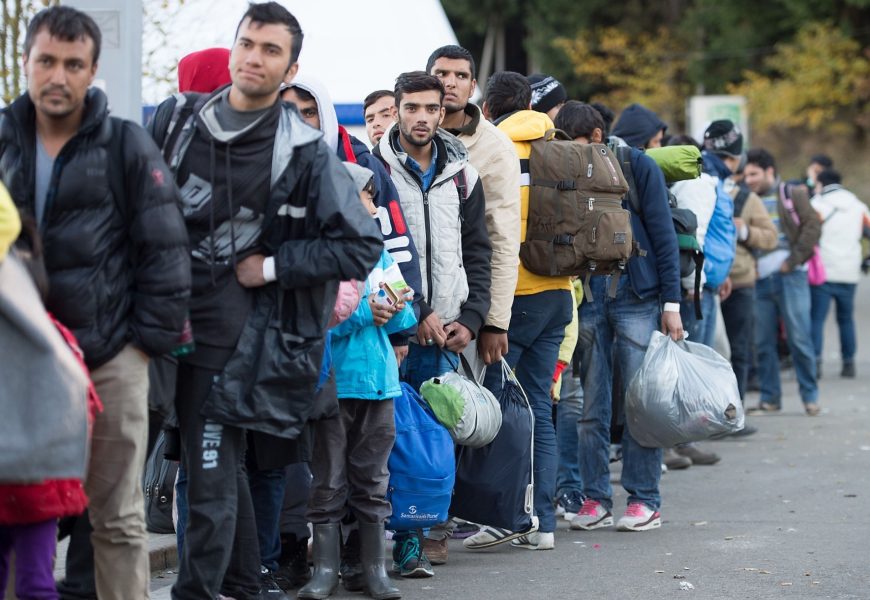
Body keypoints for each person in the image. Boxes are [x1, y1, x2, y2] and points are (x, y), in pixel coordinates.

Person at [148, 3, 383, 598]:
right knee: (124, 477)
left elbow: (360, 244)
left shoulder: (304, 151)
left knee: (209, 483)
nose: (254, 57)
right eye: (247, 43)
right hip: (154, 330)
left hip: (231, 348)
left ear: (290, 68)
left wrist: (273, 267)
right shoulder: (178, 120)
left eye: (271, 50)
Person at [0, 7, 191, 598]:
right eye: (46, 61)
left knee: (117, 519)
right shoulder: (3, 139)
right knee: (12, 513)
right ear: (25, 62)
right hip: (19, 362)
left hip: (109, 357)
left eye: (73, 64)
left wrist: (140, 348)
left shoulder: (125, 144)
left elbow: (166, 252)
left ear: (92, 69)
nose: (58, 75)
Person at [376, 71, 491, 577]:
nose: (421, 117)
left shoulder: (464, 175)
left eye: (430, 108)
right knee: (381, 437)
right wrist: (416, 311)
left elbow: (479, 251)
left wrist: (474, 317)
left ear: (443, 113)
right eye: (411, 108)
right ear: (397, 110)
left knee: (434, 440)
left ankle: (418, 537)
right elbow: (376, 250)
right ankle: (371, 541)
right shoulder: (373, 169)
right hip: (391, 329)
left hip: (447, 333)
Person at [554, 100, 683, 532]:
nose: (569, 153)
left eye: (575, 144)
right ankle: (595, 498)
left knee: (638, 402)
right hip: (588, 296)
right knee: (590, 405)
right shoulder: (565, 170)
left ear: (596, 136)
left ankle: (645, 499)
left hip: (638, 295)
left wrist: (672, 304)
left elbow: (663, 235)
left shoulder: (638, 164)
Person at [467, 71, 574, 551]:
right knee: (539, 411)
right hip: (559, 294)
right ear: (532, 105)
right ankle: (543, 523)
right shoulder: (559, 146)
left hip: (513, 298)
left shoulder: (495, 148)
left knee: (498, 409)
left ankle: (504, 517)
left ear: (488, 109)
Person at [423, 45, 521, 564]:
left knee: (452, 415)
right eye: (441, 74)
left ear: (473, 85)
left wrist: (492, 319)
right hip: (408, 308)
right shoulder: (402, 134)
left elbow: (500, 238)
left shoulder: (493, 146)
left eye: (461, 75)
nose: (450, 83)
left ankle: (439, 524)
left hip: (465, 308)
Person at [301, 162, 415, 600]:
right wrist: (367, 310)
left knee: (373, 480)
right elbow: (319, 320)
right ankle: (325, 569)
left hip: (380, 385)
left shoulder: (378, 254)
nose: (373, 207)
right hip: (335, 384)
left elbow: (404, 313)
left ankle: (374, 569)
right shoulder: (321, 254)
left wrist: (394, 308)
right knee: (328, 480)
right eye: (367, 197)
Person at [0, 219, 100, 600]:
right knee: (36, 583)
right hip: (43, 485)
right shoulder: (56, 338)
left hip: (12, 478)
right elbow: (85, 405)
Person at [743, 148, 820, 416]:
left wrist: (793, 261)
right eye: (746, 175)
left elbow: (812, 226)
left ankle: (810, 397)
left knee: (799, 337)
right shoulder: (746, 198)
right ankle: (770, 398)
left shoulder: (792, 193)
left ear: (769, 171)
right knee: (763, 341)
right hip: (759, 278)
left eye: (754, 174)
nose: (749, 180)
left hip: (791, 276)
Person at [809, 169, 870, 379]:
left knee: (817, 318)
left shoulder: (817, 205)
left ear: (821, 184)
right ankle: (848, 363)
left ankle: (816, 363)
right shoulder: (858, 206)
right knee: (845, 318)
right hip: (849, 270)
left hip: (822, 272)